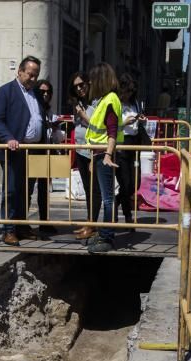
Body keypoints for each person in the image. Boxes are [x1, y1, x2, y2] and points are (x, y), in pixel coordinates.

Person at [0, 56, 43, 246]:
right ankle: (8, 229)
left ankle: (21, 225)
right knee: (11, 191)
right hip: (14, 150)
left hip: (33, 150)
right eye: (30, 74)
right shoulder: (5, 92)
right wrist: (9, 138)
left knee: (26, 191)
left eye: (36, 75)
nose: (33, 79)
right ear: (20, 71)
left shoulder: (35, 93)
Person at [78, 62, 122, 254]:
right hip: (98, 155)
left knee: (108, 199)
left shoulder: (110, 100)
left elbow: (112, 132)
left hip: (104, 155)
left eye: (92, 81)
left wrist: (107, 155)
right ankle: (104, 232)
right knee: (106, 198)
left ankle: (107, 236)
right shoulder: (105, 99)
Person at [68, 71, 100, 237]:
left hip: (93, 152)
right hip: (80, 150)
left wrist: (83, 116)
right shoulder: (79, 103)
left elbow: (98, 126)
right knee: (88, 188)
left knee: (94, 189)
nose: (79, 89)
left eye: (82, 85)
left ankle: (92, 224)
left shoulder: (96, 103)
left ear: (89, 83)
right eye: (76, 87)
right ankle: (89, 221)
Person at [116, 72, 146, 227]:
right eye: (127, 91)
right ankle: (127, 216)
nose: (129, 94)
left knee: (135, 182)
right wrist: (124, 122)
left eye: (132, 91)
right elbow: (111, 126)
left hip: (135, 143)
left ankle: (116, 202)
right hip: (121, 144)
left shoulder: (135, 103)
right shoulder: (115, 103)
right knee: (126, 182)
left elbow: (138, 122)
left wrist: (141, 120)